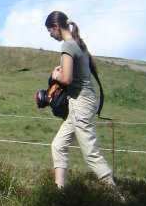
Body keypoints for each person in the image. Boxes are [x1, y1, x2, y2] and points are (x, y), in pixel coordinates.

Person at [44, 11, 115, 189]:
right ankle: (59, 191)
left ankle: (115, 196)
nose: (50, 35)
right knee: (58, 145)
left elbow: (66, 79)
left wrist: (55, 75)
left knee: (91, 153)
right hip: (84, 101)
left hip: (80, 103)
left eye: (49, 30)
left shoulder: (68, 46)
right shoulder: (79, 44)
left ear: (56, 27)